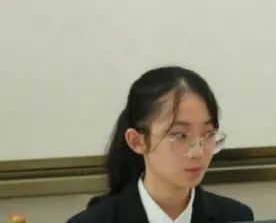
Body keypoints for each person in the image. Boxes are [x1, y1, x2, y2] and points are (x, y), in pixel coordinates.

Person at [67, 66, 252, 223]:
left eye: (208, 134)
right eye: (180, 135)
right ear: (137, 141)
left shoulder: (236, 217)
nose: (198, 152)